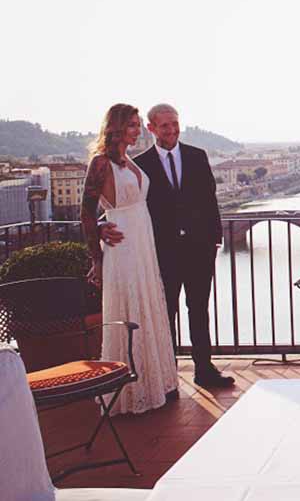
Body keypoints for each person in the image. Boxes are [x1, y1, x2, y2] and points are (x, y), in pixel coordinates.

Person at [101, 104, 233, 388]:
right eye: (164, 126)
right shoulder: (139, 164)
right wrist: (101, 225)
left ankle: (205, 370)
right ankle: (168, 377)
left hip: (200, 248)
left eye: (175, 124)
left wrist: (215, 239)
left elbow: (210, 201)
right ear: (151, 128)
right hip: (162, 252)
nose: (172, 130)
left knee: (199, 310)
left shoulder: (197, 156)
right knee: (165, 314)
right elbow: (124, 204)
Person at [82, 104, 179, 415]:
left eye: (139, 126)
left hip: (143, 246)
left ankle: (152, 385)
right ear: (117, 127)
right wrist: (96, 256)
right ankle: (126, 393)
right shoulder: (100, 164)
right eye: (133, 126)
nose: (137, 131)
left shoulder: (128, 162)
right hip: (122, 247)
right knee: (128, 311)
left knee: (147, 308)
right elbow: (85, 213)